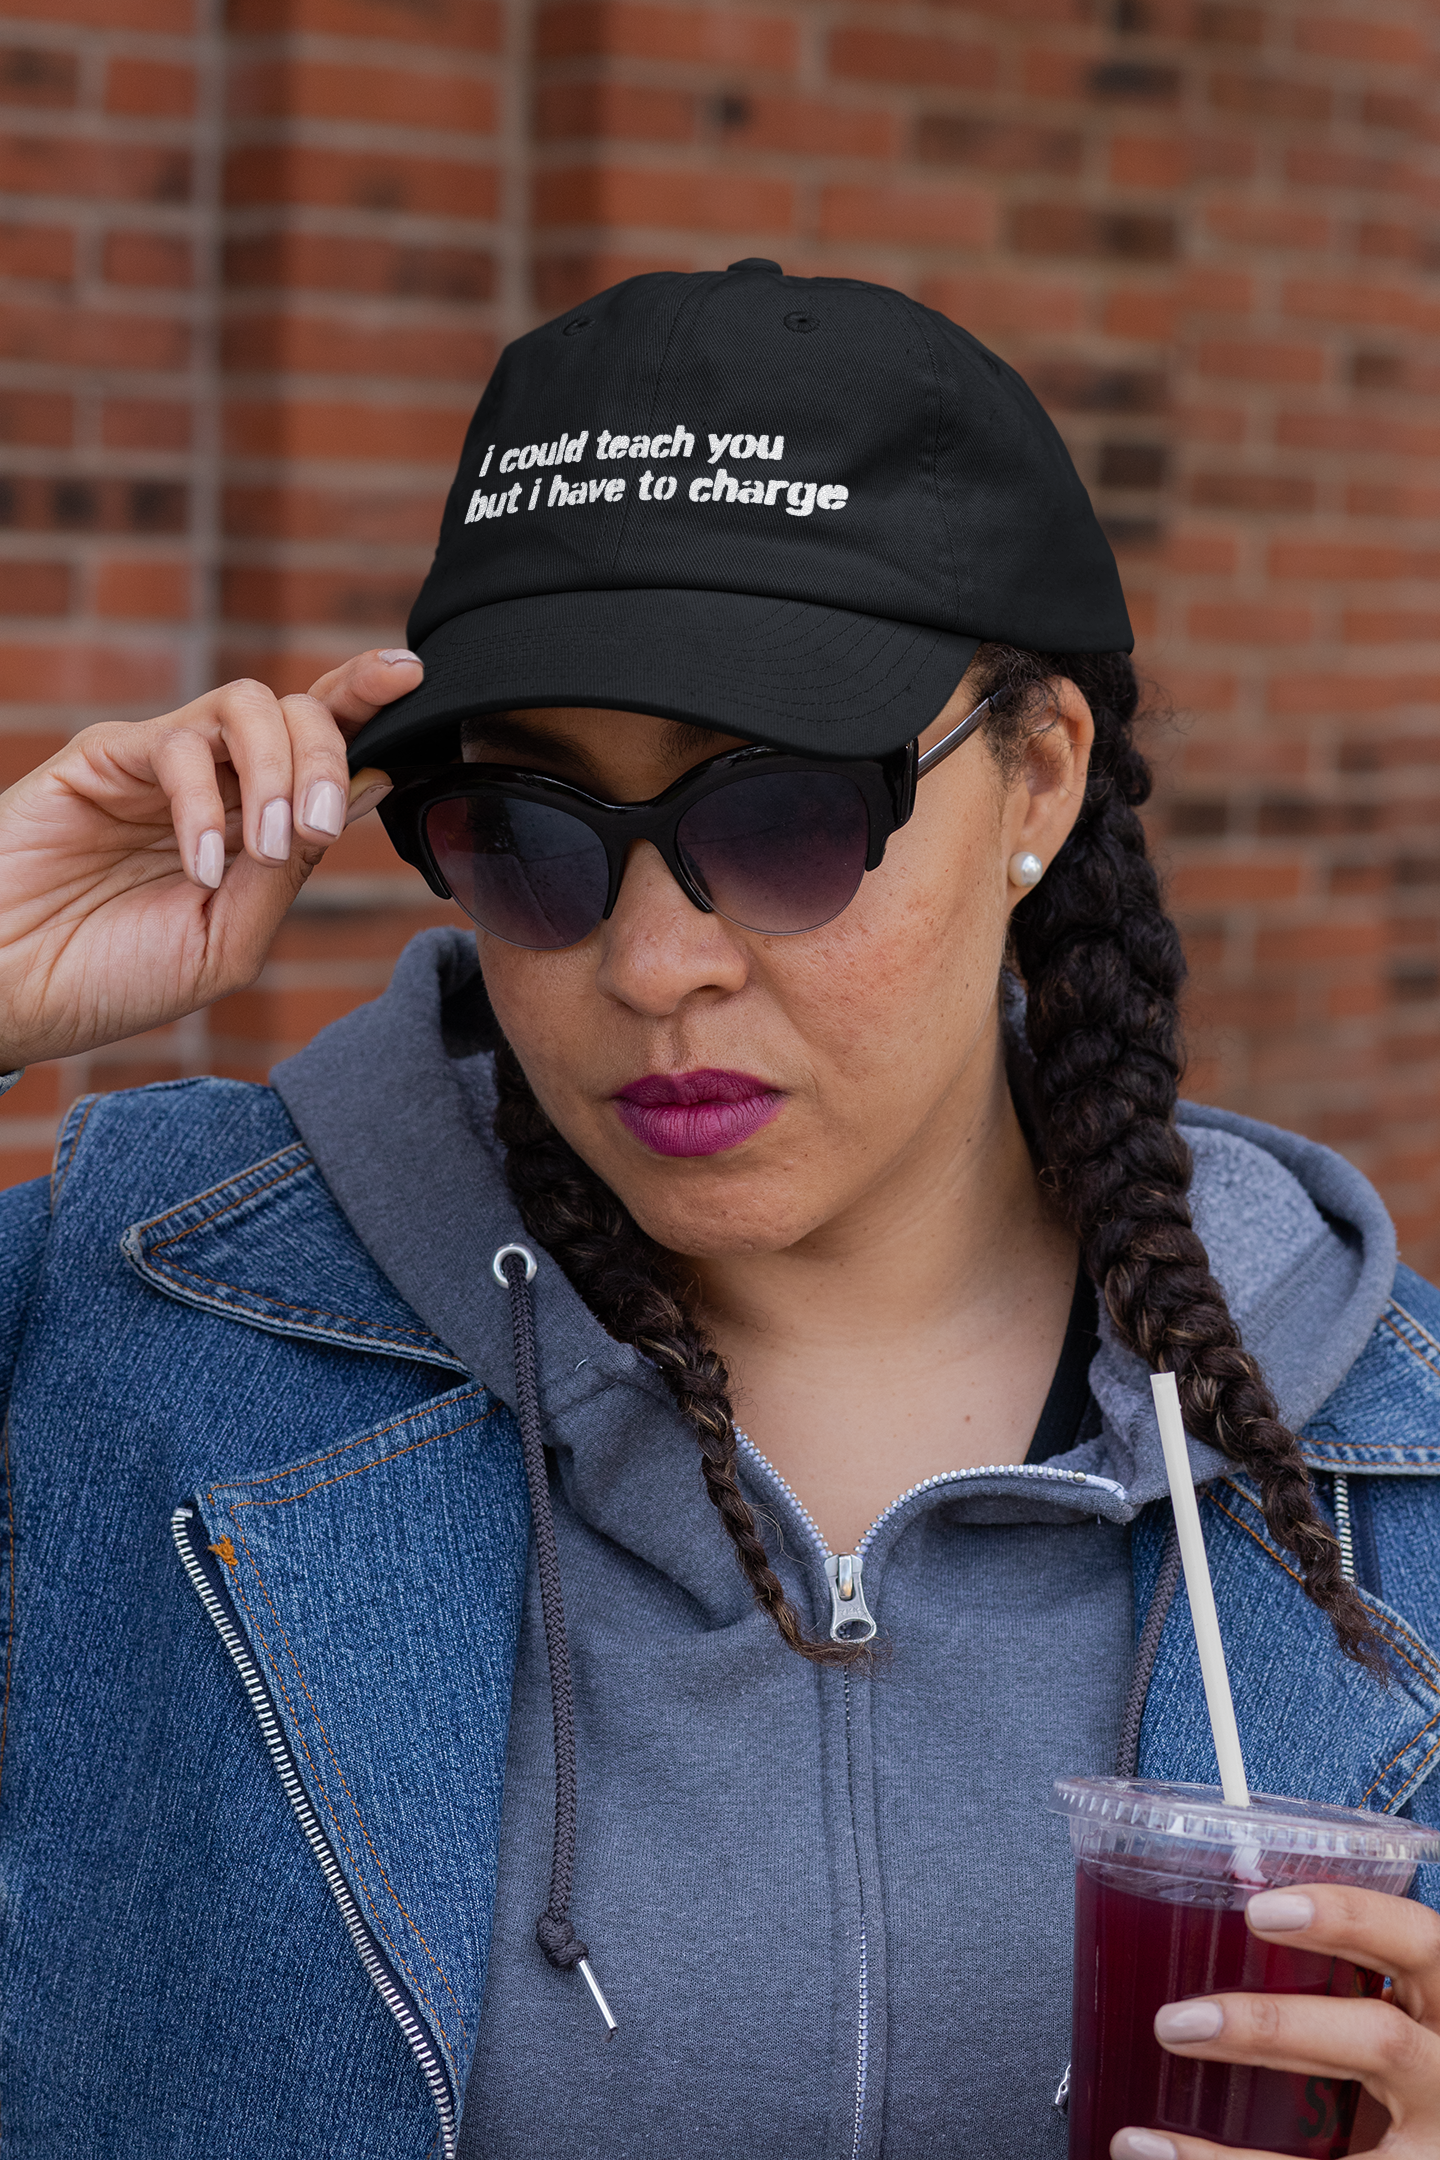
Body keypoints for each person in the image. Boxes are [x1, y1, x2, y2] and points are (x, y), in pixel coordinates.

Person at [1, 259, 1438, 2160]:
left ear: (1041, 777)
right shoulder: (136, 1328)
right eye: (531, 832)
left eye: (783, 819)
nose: (657, 961)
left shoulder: (1388, 1461)